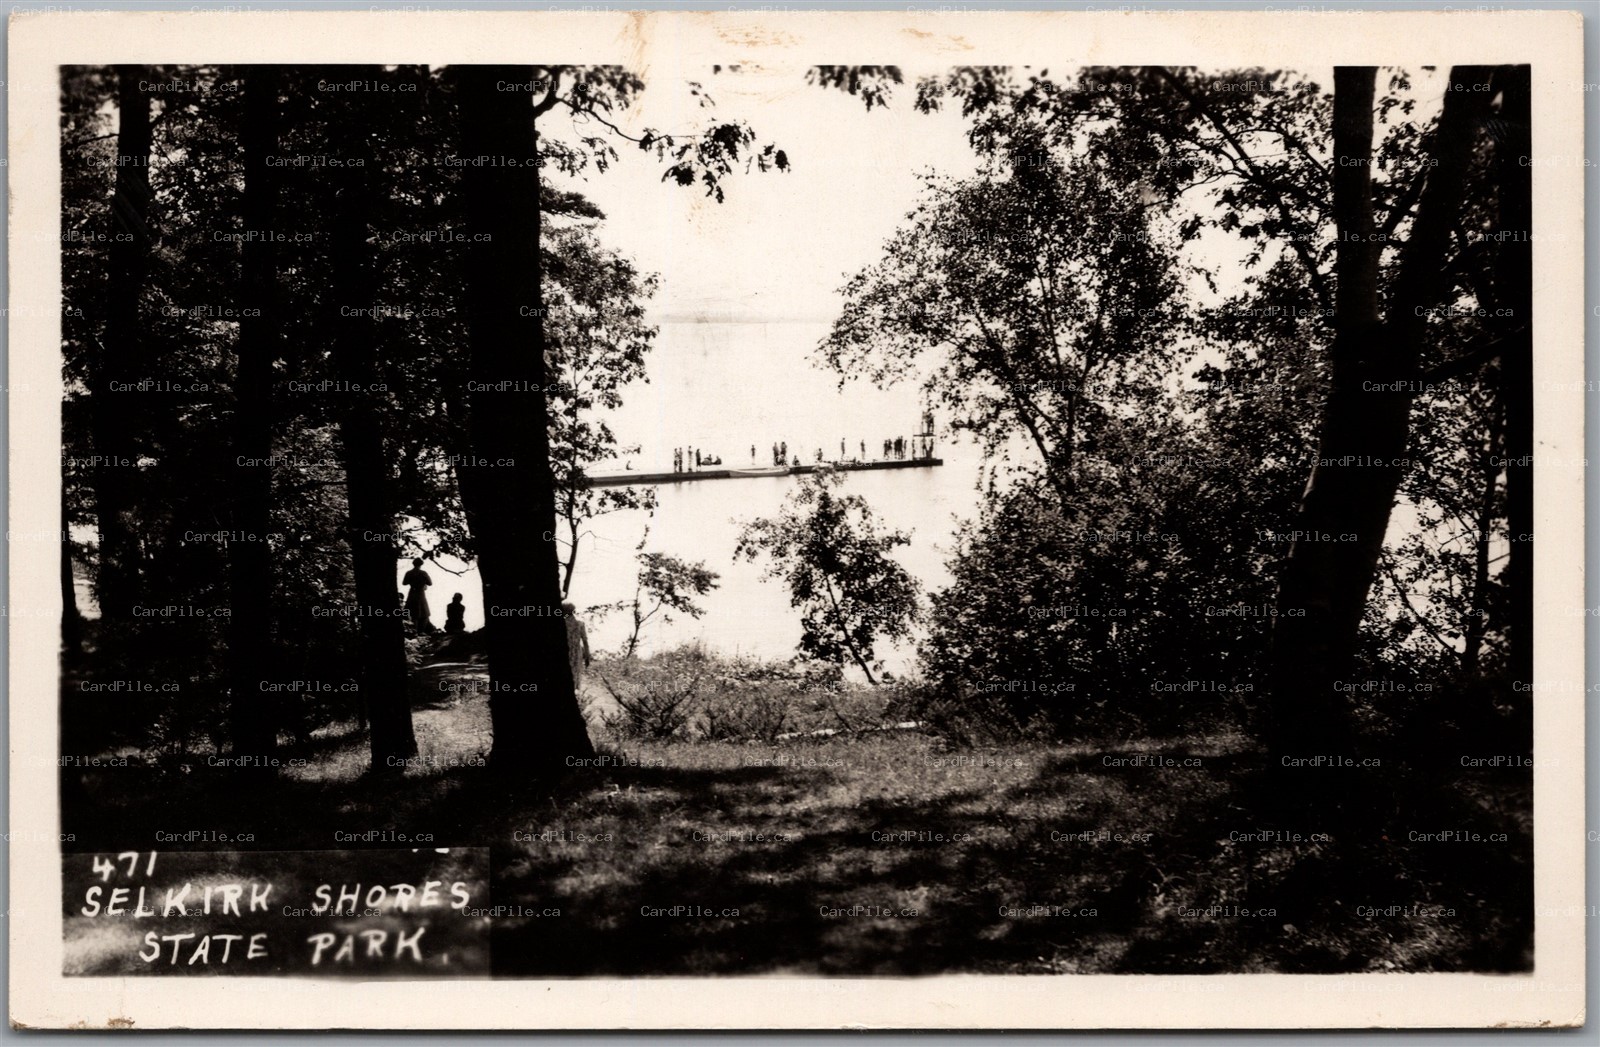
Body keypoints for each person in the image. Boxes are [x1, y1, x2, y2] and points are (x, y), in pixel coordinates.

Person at [563, 601, 591, 690]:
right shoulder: (580, 624)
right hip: (576, 653)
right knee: (575, 674)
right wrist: (587, 656)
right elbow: (585, 641)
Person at [402, 558, 433, 633]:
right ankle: (420, 631)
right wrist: (423, 583)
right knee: (424, 613)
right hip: (420, 594)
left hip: (412, 593)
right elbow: (430, 583)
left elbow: (404, 583)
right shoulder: (423, 573)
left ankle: (414, 631)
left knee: (413, 613)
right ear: (421, 564)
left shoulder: (409, 573)